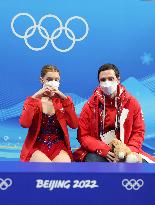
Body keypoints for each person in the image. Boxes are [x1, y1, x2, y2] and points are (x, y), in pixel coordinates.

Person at [73, 63, 155, 163]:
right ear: (99, 82)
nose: (107, 83)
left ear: (118, 80)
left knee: (139, 164)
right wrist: (104, 150)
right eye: (103, 80)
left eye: (110, 78)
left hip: (126, 150)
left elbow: (138, 132)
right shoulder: (90, 105)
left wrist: (129, 150)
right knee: (94, 163)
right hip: (99, 152)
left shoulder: (132, 103)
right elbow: (83, 135)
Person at [19, 65, 78, 162]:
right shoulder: (33, 101)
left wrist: (64, 99)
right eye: (49, 79)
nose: (53, 83)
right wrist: (35, 97)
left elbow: (74, 125)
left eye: (56, 80)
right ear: (42, 80)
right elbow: (24, 124)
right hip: (37, 145)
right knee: (46, 167)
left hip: (58, 146)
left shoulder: (63, 102)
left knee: (64, 167)